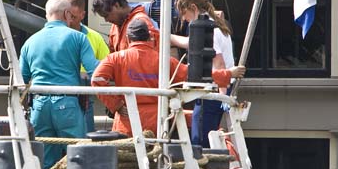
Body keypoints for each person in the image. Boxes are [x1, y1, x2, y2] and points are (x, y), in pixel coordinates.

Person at [91, 18, 245, 136]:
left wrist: (116, 105)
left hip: (127, 122)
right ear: (149, 38)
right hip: (158, 123)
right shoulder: (164, 61)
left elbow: (97, 80)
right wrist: (228, 74)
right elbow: (195, 76)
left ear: (129, 39)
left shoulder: (116, 59)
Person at [19, 0, 99, 169]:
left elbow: (21, 79)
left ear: (47, 15)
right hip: (68, 104)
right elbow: (95, 72)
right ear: (66, 14)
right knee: (79, 157)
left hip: (39, 106)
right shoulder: (79, 38)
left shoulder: (29, 42)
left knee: (44, 161)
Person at [175, 0, 236, 146]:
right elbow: (192, 43)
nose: (184, 19)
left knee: (200, 141)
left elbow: (219, 64)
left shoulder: (210, 32)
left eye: (184, 13)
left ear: (193, 8)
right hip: (220, 89)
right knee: (210, 137)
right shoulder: (216, 26)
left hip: (213, 91)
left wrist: (221, 94)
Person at [65, 0, 110, 133]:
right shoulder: (57, 36)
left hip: (85, 97)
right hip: (62, 95)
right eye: (67, 16)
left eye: (73, 16)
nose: (69, 20)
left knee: (87, 136)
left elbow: (107, 66)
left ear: (82, 15)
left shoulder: (94, 37)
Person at [92, 0, 159, 52]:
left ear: (116, 5)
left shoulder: (141, 21)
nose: (106, 20)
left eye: (106, 15)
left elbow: (148, 56)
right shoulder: (114, 26)